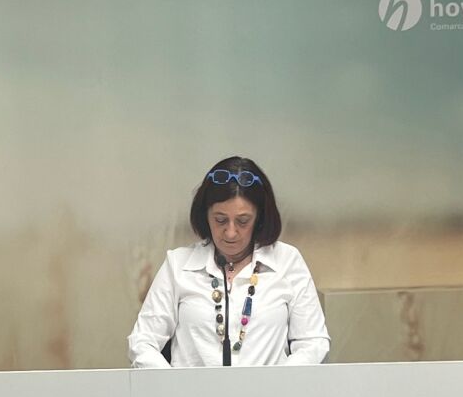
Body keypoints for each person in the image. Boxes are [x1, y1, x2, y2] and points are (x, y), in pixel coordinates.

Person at [128, 156, 330, 368]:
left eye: (243, 221)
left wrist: (280, 382)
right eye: (220, 220)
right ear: (205, 215)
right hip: (189, 390)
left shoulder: (287, 261)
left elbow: (313, 342)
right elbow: (142, 342)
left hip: (274, 389)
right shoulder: (178, 265)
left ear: (260, 218)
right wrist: (173, 384)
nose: (231, 232)